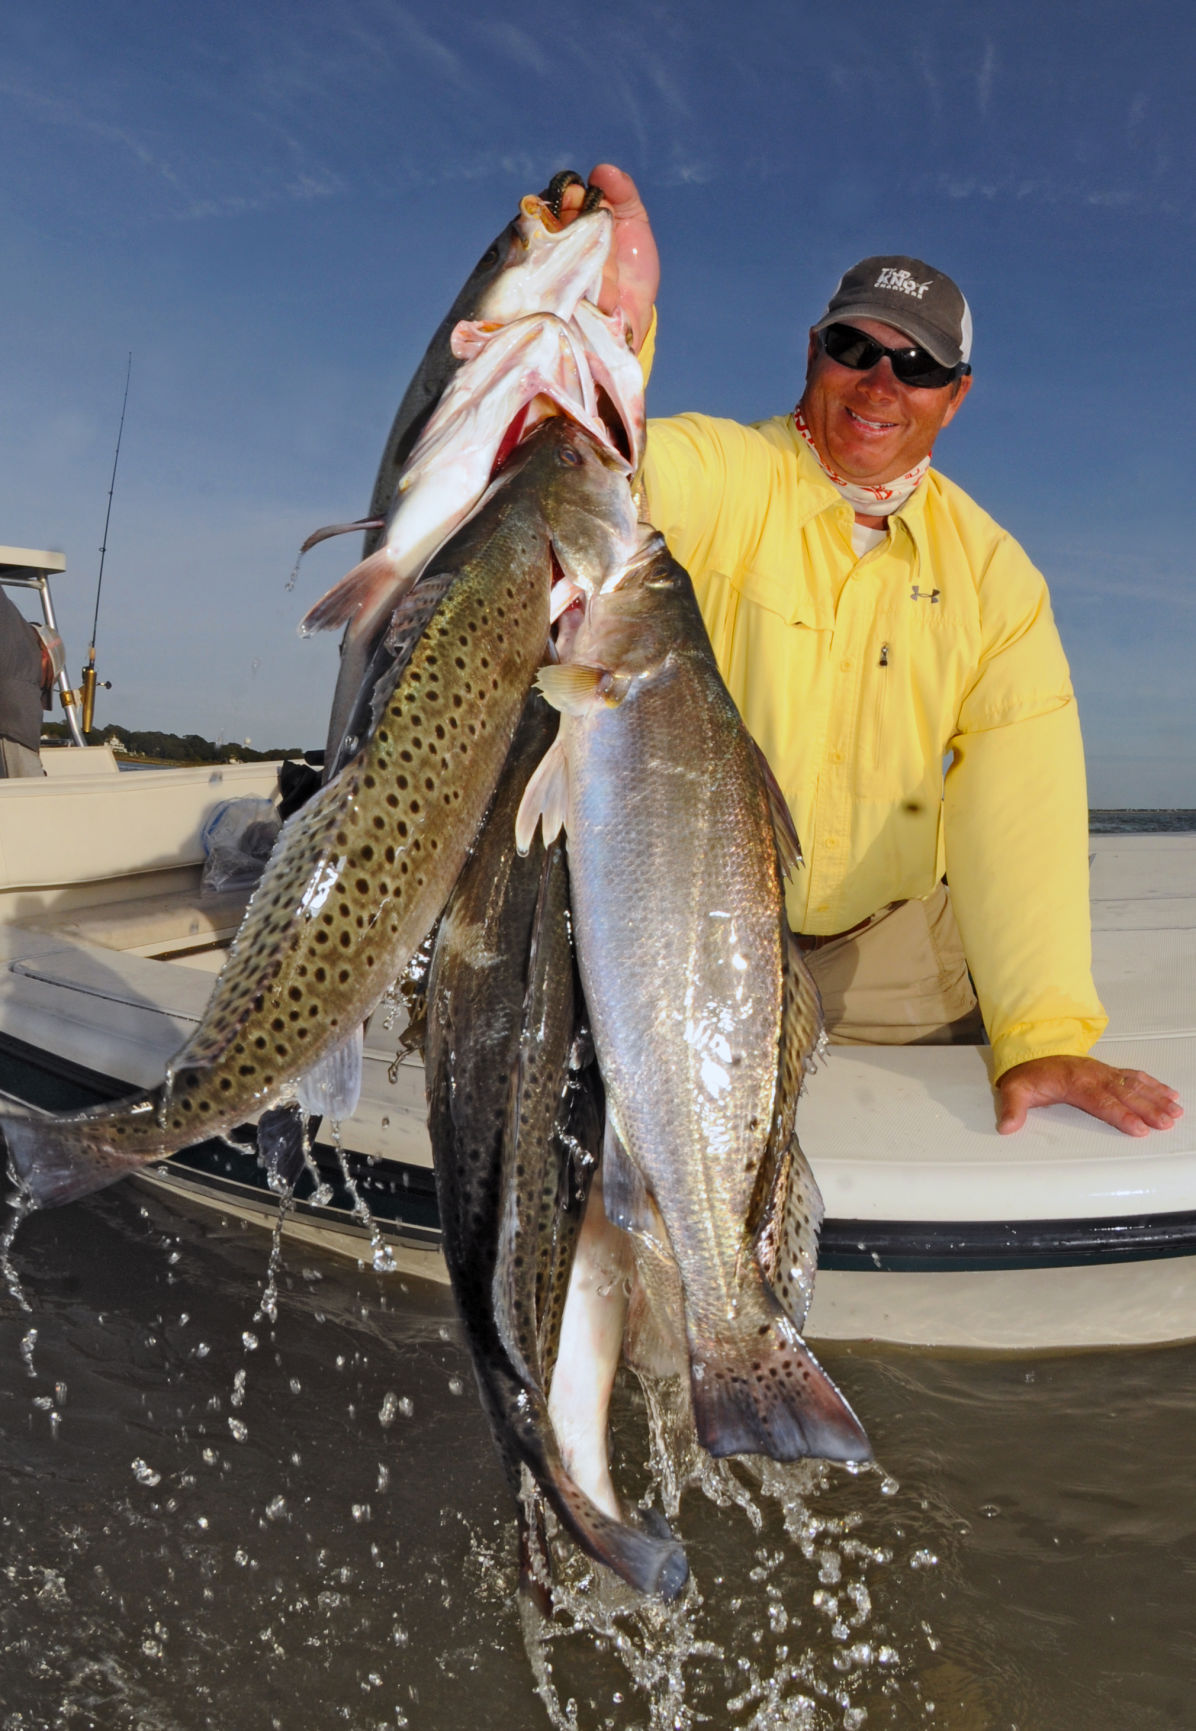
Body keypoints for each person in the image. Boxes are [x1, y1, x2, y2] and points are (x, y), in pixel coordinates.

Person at [560, 164, 1182, 1140]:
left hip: (889, 943)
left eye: (918, 366)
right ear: (813, 352)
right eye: (854, 346)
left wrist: (1041, 1031)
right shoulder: (730, 474)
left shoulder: (994, 576)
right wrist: (605, 327)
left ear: (954, 397)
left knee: (985, 1125)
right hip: (681, 925)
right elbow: (599, 469)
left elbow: (1019, 806)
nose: (880, 382)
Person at [0, 586, 49, 778]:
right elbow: (29, 781)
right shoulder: (25, 674)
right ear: (44, 656)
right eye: (46, 683)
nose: (42, 687)